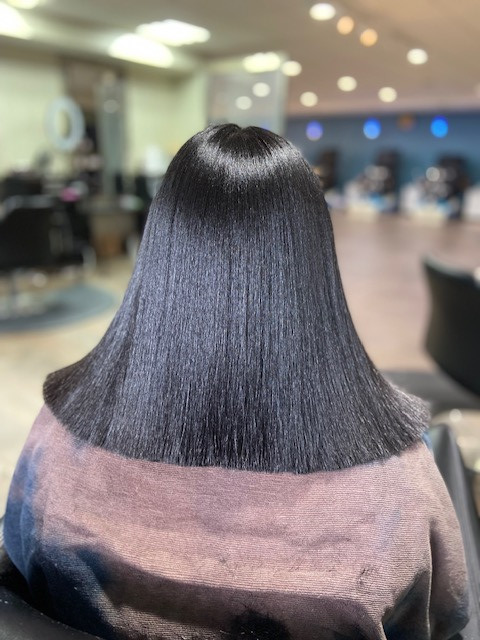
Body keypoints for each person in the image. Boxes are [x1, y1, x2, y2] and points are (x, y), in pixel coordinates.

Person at [3, 124, 468, 639]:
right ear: (312, 259)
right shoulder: (398, 484)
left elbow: (19, 587)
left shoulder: (54, 442)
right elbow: (446, 616)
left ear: (161, 247)